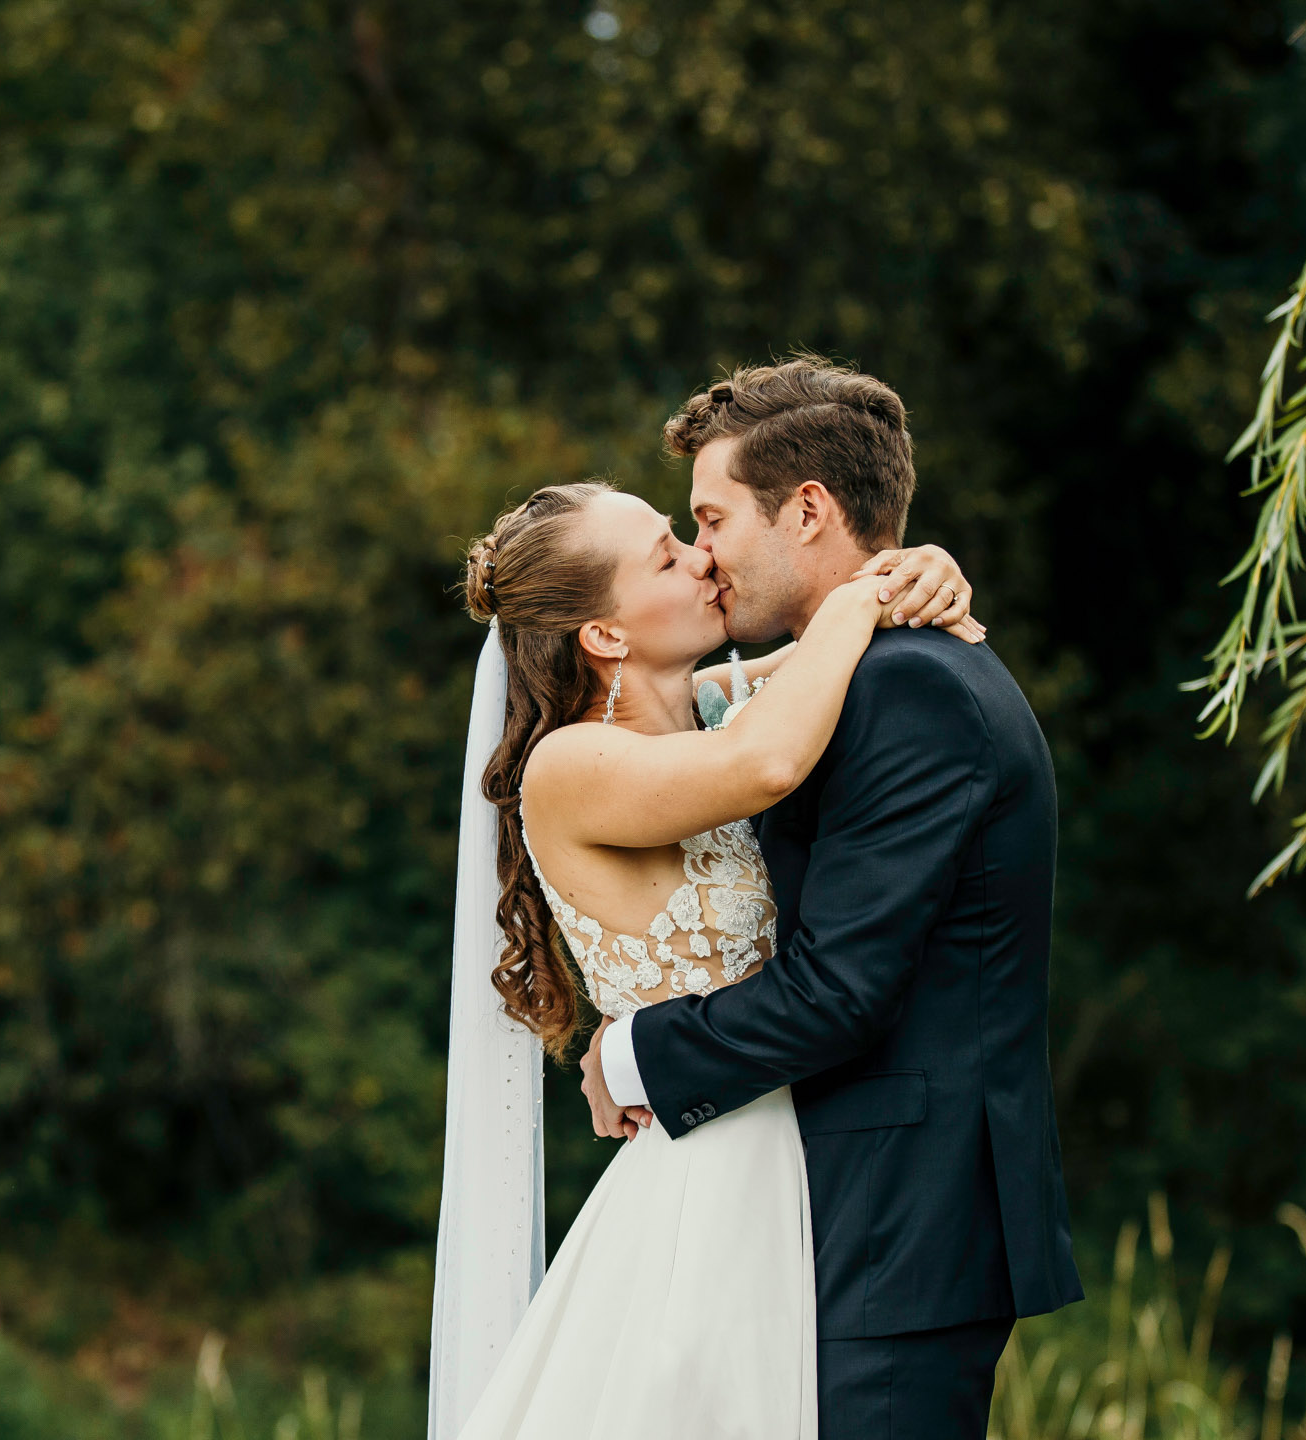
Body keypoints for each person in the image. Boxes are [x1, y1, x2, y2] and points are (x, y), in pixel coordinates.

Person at [436, 361, 1067, 1440]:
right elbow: (773, 753)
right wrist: (876, 588)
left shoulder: (874, 683)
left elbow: (837, 982)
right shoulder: (603, 756)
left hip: (872, 1217)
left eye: (709, 521)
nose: (704, 554)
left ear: (808, 509)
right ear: (604, 632)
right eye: (676, 544)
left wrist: (630, 1052)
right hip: (746, 1190)